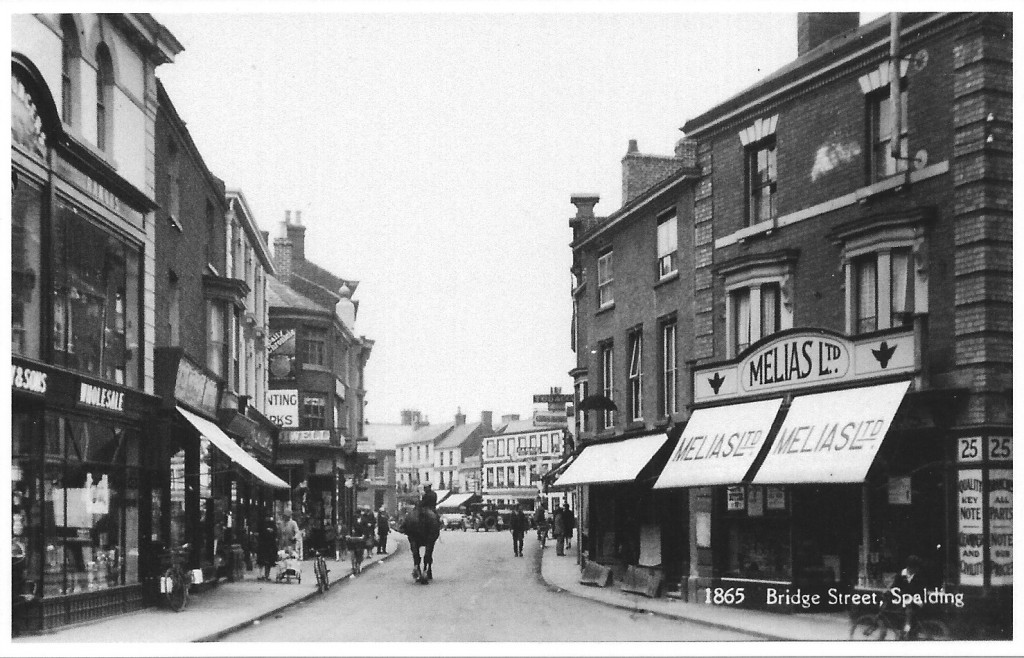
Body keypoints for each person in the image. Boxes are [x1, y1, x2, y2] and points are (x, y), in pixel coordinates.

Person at [890, 554, 927, 638]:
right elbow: (894, 587)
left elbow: (921, 590)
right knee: (901, 614)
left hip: (916, 601)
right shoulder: (900, 575)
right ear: (910, 567)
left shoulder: (919, 576)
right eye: (916, 567)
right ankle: (904, 632)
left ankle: (908, 630)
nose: (917, 569)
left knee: (909, 612)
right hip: (903, 601)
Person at [256, 514, 279, 580]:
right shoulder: (262, 524)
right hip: (264, 545)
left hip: (269, 545)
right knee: (262, 561)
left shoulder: (272, 524)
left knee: (268, 562)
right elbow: (259, 533)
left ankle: (266, 575)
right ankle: (261, 575)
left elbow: (275, 533)